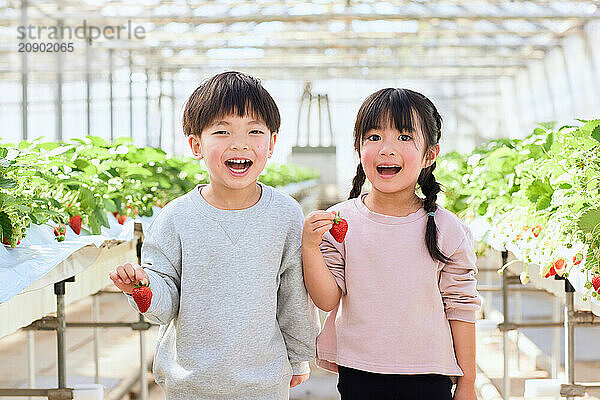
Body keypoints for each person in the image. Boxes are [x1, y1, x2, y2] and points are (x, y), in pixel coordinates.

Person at [109, 71, 320, 400]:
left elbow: (293, 295)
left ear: (272, 143)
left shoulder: (285, 214)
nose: (239, 143)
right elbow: (165, 300)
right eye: (222, 132)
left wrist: (298, 355)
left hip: (264, 382)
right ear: (196, 144)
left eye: (254, 131)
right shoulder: (175, 218)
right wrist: (145, 289)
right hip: (191, 385)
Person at [302, 88, 482, 400]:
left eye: (403, 137)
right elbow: (327, 300)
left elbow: (461, 308)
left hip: (430, 374)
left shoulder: (447, 228)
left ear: (430, 154)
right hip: (359, 370)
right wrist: (310, 248)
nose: (386, 149)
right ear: (358, 150)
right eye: (373, 137)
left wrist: (467, 384)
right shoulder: (339, 222)